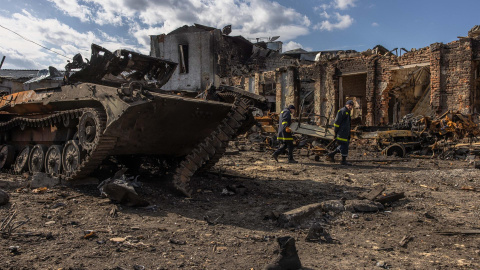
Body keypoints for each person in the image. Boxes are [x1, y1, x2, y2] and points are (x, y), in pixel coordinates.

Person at [326, 100, 354, 165]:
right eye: (349, 105)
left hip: (345, 132)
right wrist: (335, 131)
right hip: (341, 132)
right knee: (344, 145)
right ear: (346, 105)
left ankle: (331, 154)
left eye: (351, 105)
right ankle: (343, 161)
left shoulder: (347, 112)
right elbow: (337, 122)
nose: (350, 107)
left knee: (344, 145)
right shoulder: (342, 111)